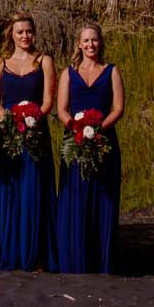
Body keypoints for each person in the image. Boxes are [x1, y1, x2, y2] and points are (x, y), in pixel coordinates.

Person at [0, 12, 57, 271]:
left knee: (33, 190)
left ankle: (35, 254)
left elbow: (48, 100)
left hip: (35, 133)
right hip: (6, 133)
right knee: (8, 192)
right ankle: (9, 250)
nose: (25, 36)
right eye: (20, 32)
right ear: (12, 35)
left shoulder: (44, 61)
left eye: (29, 31)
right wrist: (7, 121)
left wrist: (32, 119)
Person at [55, 21, 124, 273]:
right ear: (78, 44)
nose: (90, 44)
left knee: (102, 196)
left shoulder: (111, 71)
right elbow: (61, 109)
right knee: (76, 198)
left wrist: (98, 129)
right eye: (86, 40)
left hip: (104, 142)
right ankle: (75, 260)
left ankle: (101, 261)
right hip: (74, 143)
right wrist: (77, 128)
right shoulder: (68, 73)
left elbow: (118, 108)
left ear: (100, 42)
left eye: (94, 40)